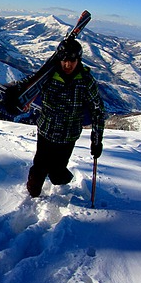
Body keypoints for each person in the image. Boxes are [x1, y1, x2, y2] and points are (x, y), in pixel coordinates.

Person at [26, 38, 105, 197]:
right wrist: (13, 94)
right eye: (64, 60)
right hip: (46, 131)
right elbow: (27, 86)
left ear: (78, 60)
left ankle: (61, 179)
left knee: (58, 170)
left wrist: (97, 138)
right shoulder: (47, 76)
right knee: (39, 167)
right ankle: (32, 194)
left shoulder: (86, 81)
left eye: (72, 61)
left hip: (69, 135)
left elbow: (97, 110)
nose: (67, 65)